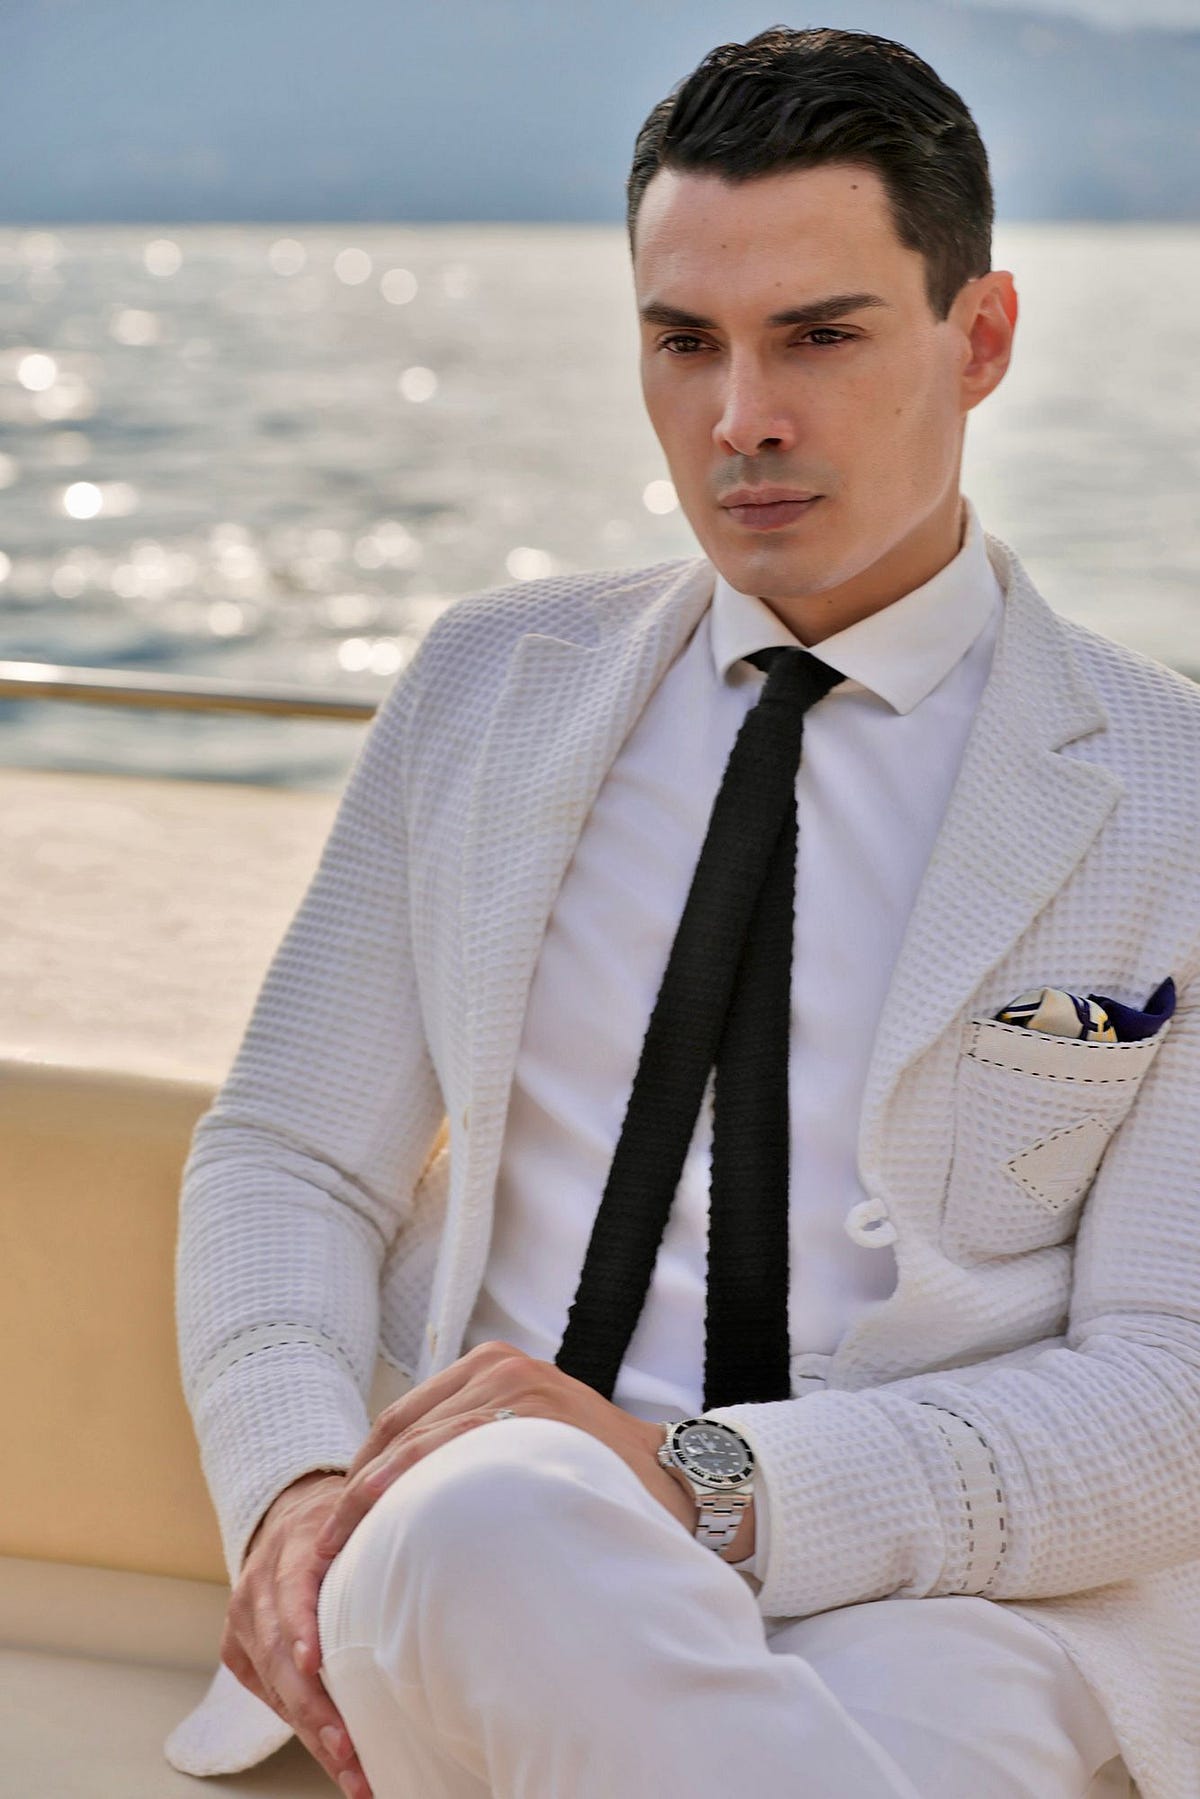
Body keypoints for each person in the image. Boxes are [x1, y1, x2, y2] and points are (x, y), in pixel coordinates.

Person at [165, 25, 1200, 1799]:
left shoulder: (1173, 793)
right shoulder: (488, 684)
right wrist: (294, 1488)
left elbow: (1174, 1383)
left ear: (982, 337)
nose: (743, 422)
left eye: (820, 336)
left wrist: (708, 1483)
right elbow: (290, 1155)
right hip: (472, 1539)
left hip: (940, 1590)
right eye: (685, 342)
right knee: (498, 1517)